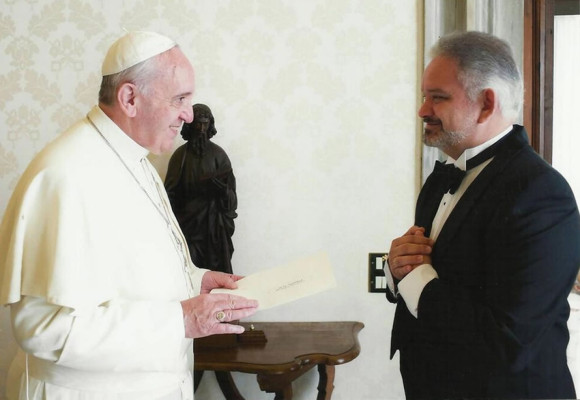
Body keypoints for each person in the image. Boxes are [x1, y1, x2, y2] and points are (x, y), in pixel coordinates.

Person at [0, 31, 258, 400]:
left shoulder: (135, 159)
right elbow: (43, 327)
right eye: (179, 99)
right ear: (130, 98)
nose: (188, 114)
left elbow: (131, 270)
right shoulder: (64, 175)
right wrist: (181, 319)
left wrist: (195, 281)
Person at [386, 31, 580, 399]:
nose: (422, 109)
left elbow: (508, 340)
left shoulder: (542, 195)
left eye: (438, 97)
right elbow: (432, 270)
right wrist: (397, 269)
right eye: (424, 95)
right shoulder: (440, 177)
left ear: (487, 104)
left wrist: (413, 278)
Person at [165, 103, 237, 274]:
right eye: (197, 124)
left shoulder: (219, 156)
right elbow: (168, 196)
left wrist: (221, 191)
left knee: (217, 275)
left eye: (205, 124)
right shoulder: (180, 157)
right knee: (189, 274)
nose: (201, 129)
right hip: (187, 227)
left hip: (214, 230)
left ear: (210, 124)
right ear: (190, 125)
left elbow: (232, 200)